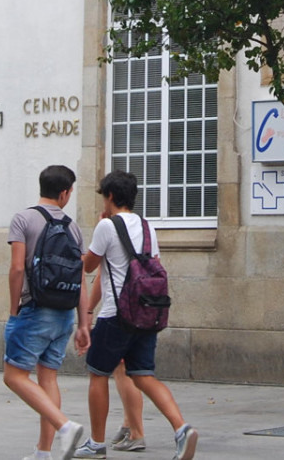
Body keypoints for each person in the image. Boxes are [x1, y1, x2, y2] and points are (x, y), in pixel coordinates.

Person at [78, 170, 198, 460]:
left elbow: (89, 266)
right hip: (145, 314)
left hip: (116, 314)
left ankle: (96, 443)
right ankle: (181, 428)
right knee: (144, 375)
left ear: (110, 196)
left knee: (97, 374)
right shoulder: (147, 227)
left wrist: (98, 228)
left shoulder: (107, 227)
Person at [3, 165, 91, 460]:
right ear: (64, 193)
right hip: (64, 315)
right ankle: (43, 452)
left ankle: (65, 426)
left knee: (13, 376)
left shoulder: (23, 219)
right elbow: (80, 279)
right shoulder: (73, 227)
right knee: (48, 378)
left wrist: (14, 309)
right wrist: (83, 324)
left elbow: (17, 268)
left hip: (34, 310)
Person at [73, 269, 147, 458]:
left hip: (118, 312)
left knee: (111, 370)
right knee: (125, 369)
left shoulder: (111, 237)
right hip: (141, 309)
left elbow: (92, 269)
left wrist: (87, 310)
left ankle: (135, 432)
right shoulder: (148, 237)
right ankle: (129, 424)